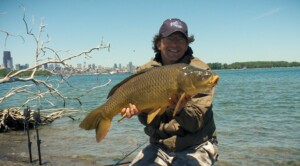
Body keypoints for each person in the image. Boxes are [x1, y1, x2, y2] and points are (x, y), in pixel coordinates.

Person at [121, 18, 219, 166]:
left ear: (187, 45)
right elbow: (148, 122)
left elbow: (194, 124)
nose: (174, 44)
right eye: (170, 39)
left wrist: (179, 109)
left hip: (196, 145)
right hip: (159, 145)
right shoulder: (145, 72)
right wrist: (141, 111)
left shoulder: (200, 73)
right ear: (159, 44)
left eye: (180, 39)